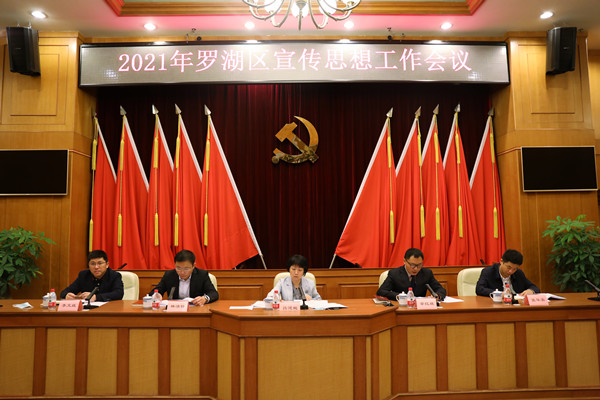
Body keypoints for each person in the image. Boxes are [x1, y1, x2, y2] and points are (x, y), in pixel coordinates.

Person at [150, 249, 218, 306]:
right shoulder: (169, 275)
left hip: (195, 310)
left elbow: (213, 293)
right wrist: (157, 295)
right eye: (178, 268)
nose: (182, 272)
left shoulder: (202, 275)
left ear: (193, 266)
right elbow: (155, 291)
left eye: (186, 269)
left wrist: (205, 298)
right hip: (174, 310)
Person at [377, 248, 446, 301]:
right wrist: (399, 296)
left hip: (420, 308)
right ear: (404, 261)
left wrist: (438, 295)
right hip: (401, 307)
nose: (416, 269)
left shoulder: (426, 273)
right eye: (412, 265)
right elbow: (381, 291)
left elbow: (440, 289)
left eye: (419, 265)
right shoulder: (394, 273)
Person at [476, 249, 540, 297]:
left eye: (514, 269)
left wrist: (531, 291)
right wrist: (499, 294)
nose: (511, 271)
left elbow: (534, 287)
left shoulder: (518, 273)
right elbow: (479, 289)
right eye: (509, 267)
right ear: (501, 261)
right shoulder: (488, 272)